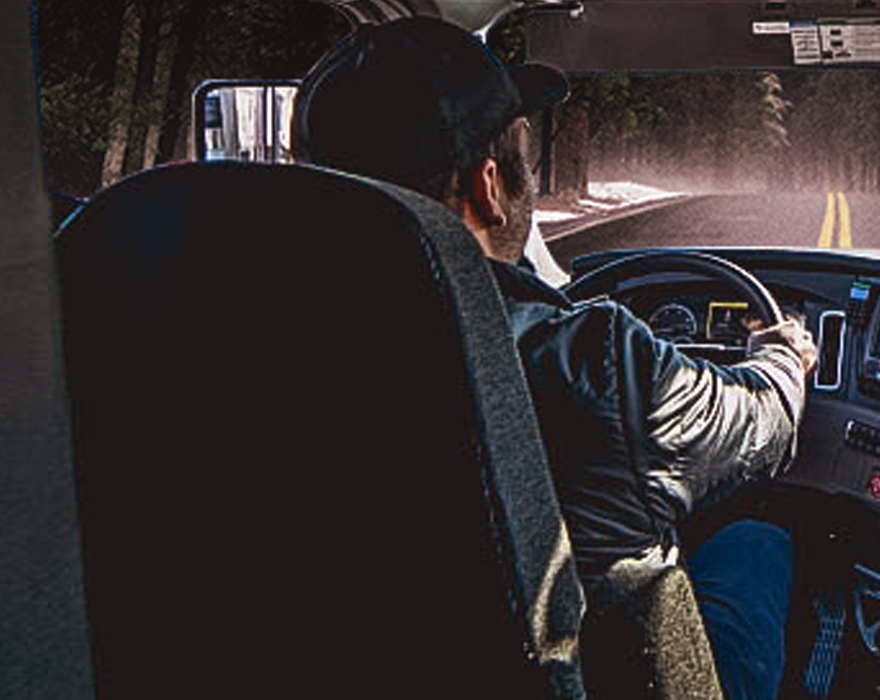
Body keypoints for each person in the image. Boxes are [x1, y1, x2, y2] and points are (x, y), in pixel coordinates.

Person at [291, 17, 816, 700]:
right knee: (757, 542)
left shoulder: (257, 347)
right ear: (488, 187)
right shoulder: (595, 361)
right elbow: (763, 426)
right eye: (524, 159)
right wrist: (784, 355)